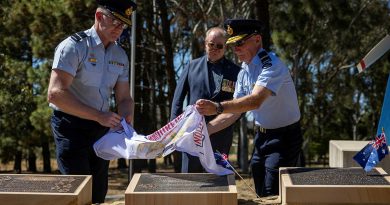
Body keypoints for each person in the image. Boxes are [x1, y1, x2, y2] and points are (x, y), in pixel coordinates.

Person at [195, 19, 303, 197]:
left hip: (284, 138)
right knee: (260, 191)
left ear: (257, 40)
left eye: (240, 43)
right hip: (262, 137)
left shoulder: (272, 65)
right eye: (233, 44)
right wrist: (204, 131)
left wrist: (217, 106)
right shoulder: (244, 70)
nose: (235, 49)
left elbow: (255, 101)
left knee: (272, 193)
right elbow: (235, 112)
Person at [47, 0, 136, 203]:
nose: (119, 29)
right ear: (98, 16)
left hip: (101, 131)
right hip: (71, 127)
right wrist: (99, 116)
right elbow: (55, 94)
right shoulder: (74, 46)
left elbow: (124, 98)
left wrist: (125, 116)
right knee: (77, 193)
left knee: (97, 194)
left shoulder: (120, 55)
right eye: (115, 22)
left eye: (123, 25)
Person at [170, 27, 241, 173]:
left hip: (221, 135)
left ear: (225, 47)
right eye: (211, 44)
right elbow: (178, 100)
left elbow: (240, 105)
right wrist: (174, 130)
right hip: (192, 134)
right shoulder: (191, 66)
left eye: (219, 46)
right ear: (205, 44)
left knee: (218, 181)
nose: (215, 48)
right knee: (191, 180)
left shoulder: (236, 71)